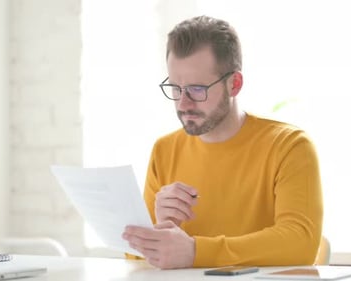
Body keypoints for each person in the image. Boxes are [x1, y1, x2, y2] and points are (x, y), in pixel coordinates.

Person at [121, 15, 323, 269]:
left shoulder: (289, 146)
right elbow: (132, 256)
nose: (183, 104)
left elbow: (300, 244)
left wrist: (195, 251)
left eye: (197, 89)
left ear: (234, 84)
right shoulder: (164, 150)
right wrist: (159, 228)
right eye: (175, 88)